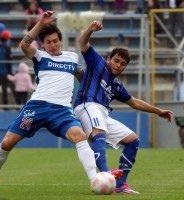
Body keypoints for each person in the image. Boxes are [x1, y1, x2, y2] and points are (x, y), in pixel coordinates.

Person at [0, 11, 98, 194]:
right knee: (7, 143)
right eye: (48, 42)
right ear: (43, 45)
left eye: (55, 40)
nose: (52, 44)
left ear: (60, 40)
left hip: (61, 111)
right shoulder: (39, 57)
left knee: (80, 136)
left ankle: (94, 181)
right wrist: (40, 23)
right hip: (36, 107)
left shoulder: (72, 58)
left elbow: (81, 75)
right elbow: (24, 44)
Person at [73, 20, 173, 194]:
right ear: (109, 59)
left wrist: (158, 111)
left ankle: (121, 184)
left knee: (132, 140)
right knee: (99, 132)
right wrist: (90, 29)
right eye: (116, 61)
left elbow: (134, 102)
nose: (118, 65)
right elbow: (82, 42)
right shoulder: (98, 64)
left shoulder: (117, 86)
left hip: (103, 113)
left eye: (122, 64)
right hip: (86, 105)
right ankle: (105, 173)